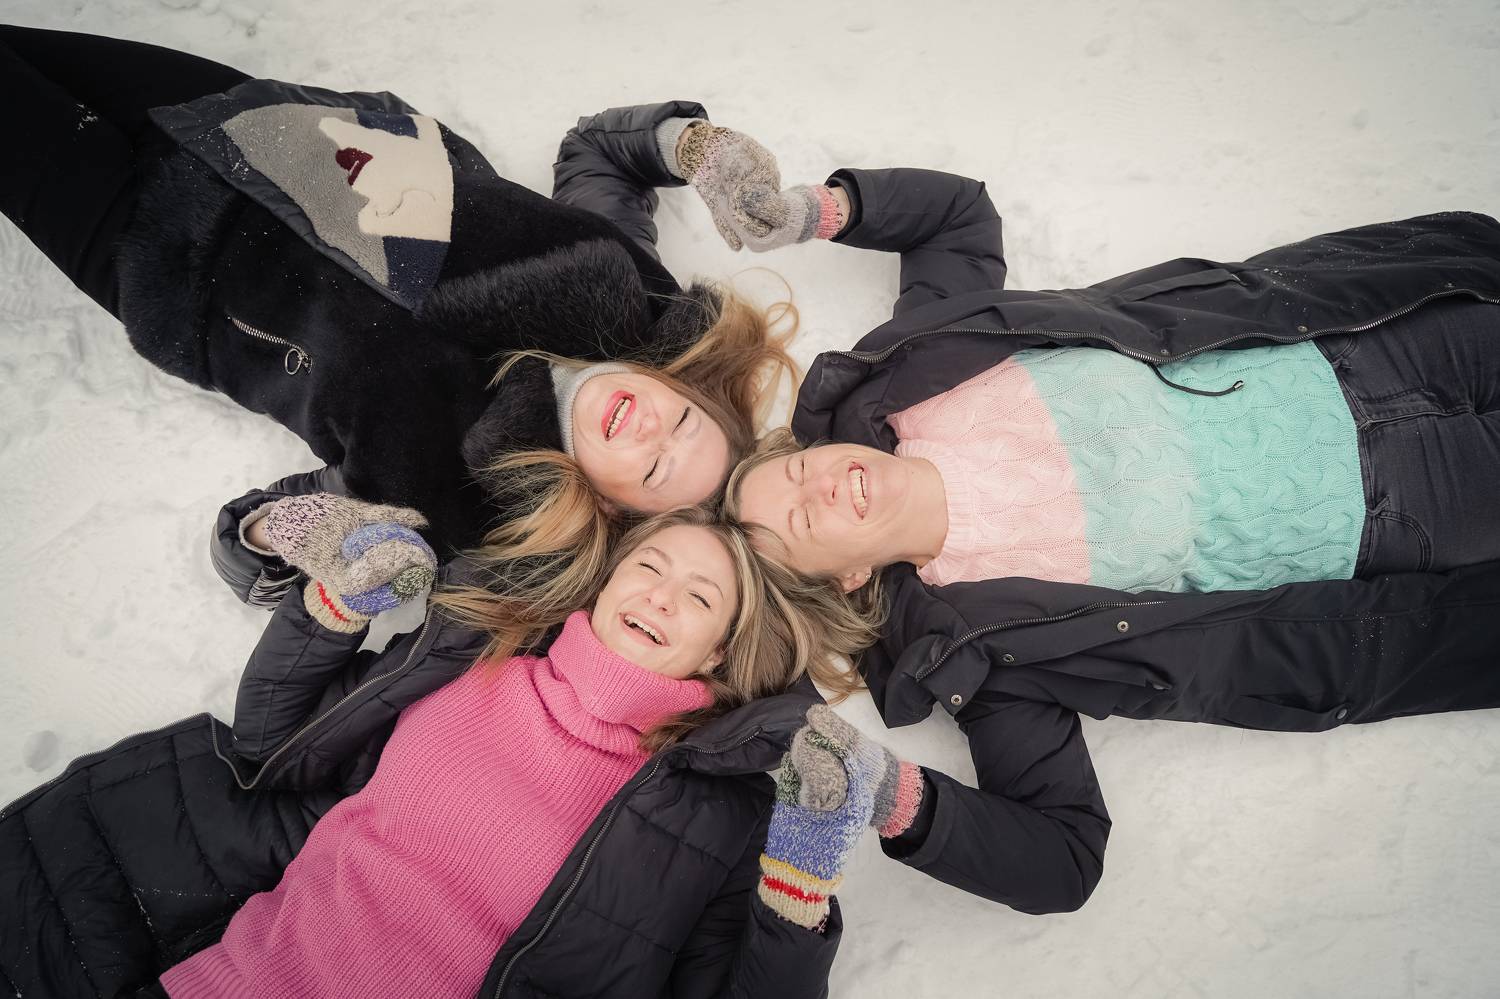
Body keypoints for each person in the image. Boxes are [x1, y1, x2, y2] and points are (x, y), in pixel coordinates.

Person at [707, 157, 1500, 914]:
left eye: (795, 471)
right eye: (804, 519)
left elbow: (957, 218)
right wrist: (885, 793)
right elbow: (1062, 858)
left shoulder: (910, 374)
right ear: (847, 578)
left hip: (1358, 341)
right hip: (1402, 505)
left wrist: (809, 210)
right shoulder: (979, 647)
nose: (819, 485)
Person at [0, 500, 916, 997]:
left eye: (700, 598)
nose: (662, 596)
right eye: (649, 566)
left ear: (718, 652)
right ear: (604, 584)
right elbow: (278, 744)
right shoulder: (476, 658)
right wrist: (339, 601)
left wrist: (797, 892)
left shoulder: (715, 810)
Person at [0, 26, 805, 562]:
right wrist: (697, 149)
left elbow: (253, 538)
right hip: (268, 132)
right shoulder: (630, 290)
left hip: (164, 263)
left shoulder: (457, 499)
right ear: (681, 383)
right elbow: (599, 152)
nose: (654, 429)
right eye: (685, 421)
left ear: (613, 505)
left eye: (655, 469)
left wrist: (292, 540)